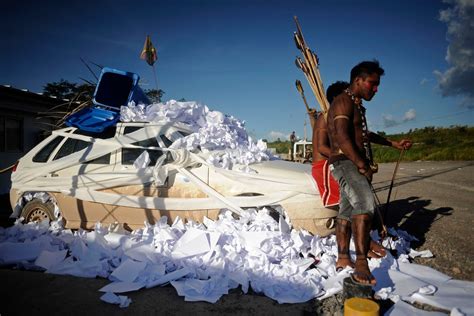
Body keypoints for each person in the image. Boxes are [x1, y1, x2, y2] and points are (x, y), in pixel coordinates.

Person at [326, 60, 412, 286]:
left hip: (351, 162)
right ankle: (361, 263)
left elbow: (364, 134)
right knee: (365, 203)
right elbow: (343, 138)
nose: (376, 89)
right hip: (346, 162)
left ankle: (344, 258)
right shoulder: (342, 102)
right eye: (372, 84)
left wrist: (393, 143)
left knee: (346, 210)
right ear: (358, 80)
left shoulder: (355, 105)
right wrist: (361, 165)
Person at [313, 81, 388, 264]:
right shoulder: (327, 116)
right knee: (360, 203)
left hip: (345, 161)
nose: (355, 99)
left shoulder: (346, 114)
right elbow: (322, 146)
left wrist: (392, 144)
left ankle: (352, 250)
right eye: (350, 96)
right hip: (327, 165)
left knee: (353, 205)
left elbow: (365, 135)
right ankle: (364, 245)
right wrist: (347, 154)